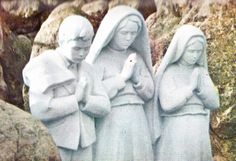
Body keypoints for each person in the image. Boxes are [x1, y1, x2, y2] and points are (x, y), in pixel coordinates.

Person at [22, 15, 110, 161]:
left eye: (86, 48)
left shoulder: (88, 69)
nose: (82, 54)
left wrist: (86, 100)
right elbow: (40, 110)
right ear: (61, 41)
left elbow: (105, 105)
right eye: (76, 48)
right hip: (57, 141)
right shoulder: (44, 66)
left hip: (85, 142)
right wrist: (75, 100)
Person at [86, 5, 160, 161]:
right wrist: (122, 78)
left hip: (137, 117)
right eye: (124, 33)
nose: (128, 38)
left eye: (133, 34)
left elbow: (149, 93)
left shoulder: (137, 57)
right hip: (111, 119)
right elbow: (93, 93)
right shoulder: (100, 59)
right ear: (112, 31)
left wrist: (136, 79)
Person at [153, 24, 220, 161]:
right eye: (191, 51)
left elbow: (214, 102)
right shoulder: (169, 72)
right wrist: (190, 88)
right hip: (177, 127)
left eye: (198, 52)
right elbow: (167, 104)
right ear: (181, 49)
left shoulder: (200, 72)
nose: (195, 56)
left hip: (199, 127)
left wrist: (201, 89)